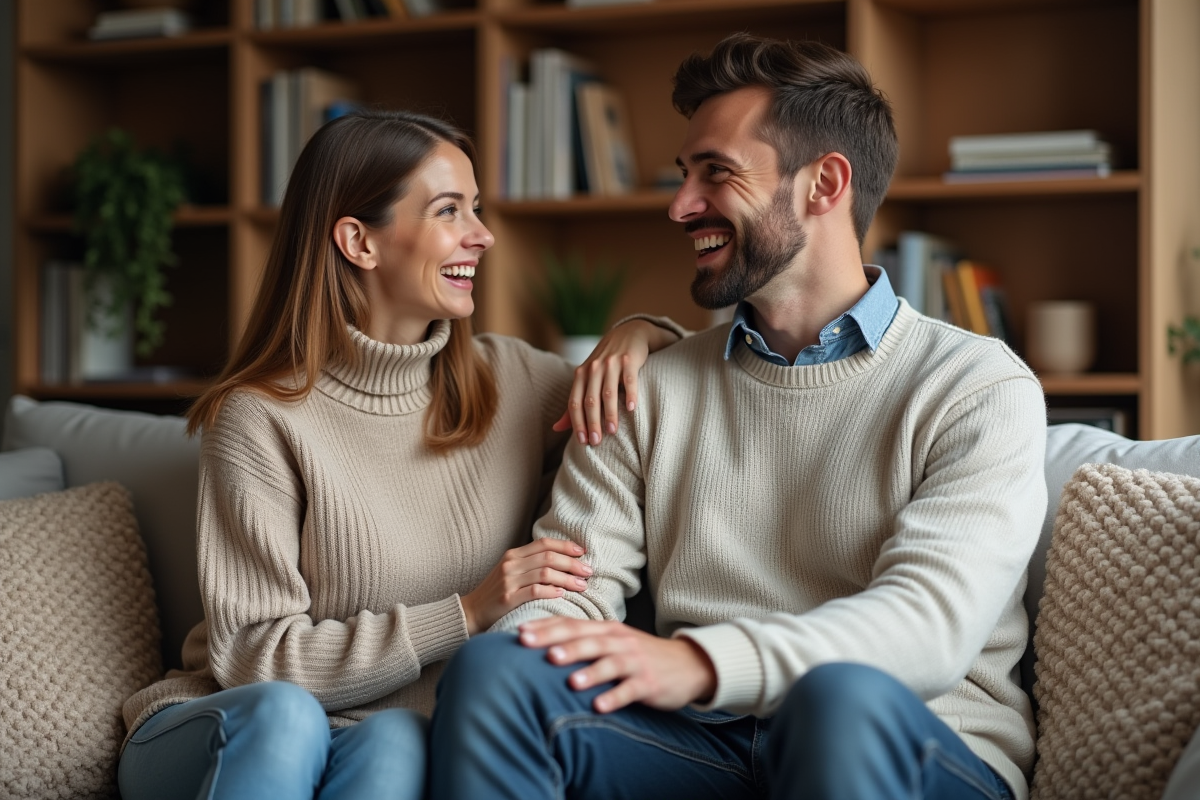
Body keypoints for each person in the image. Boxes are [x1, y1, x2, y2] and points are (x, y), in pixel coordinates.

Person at [427, 33, 1048, 800]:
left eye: (715, 173)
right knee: (499, 671)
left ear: (824, 184)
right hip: (703, 744)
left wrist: (699, 661)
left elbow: (929, 626)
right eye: (684, 175)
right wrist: (543, 647)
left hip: (913, 740)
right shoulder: (648, 385)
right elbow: (570, 585)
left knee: (837, 700)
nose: (681, 206)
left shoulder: (976, 386)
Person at [115, 109, 685, 800]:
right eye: (449, 210)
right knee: (290, 720)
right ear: (359, 241)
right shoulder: (259, 416)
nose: (483, 235)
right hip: (229, 724)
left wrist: (636, 331)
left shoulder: (512, 380)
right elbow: (253, 657)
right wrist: (467, 612)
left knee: (398, 740)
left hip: (376, 731)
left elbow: (691, 385)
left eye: (476, 207)